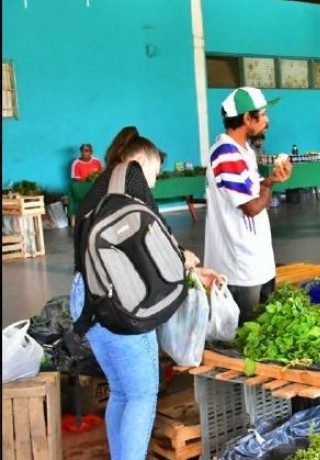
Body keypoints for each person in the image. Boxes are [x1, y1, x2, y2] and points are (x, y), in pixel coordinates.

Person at [70, 127, 222, 460]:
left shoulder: (101, 186)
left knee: (122, 392)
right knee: (141, 395)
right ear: (143, 159)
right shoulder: (131, 175)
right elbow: (159, 238)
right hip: (116, 304)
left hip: (85, 296)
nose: (153, 182)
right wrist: (186, 259)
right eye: (156, 172)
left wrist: (190, 271)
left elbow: (134, 249)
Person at [204, 87, 291, 326]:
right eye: (263, 115)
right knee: (246, 333)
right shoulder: (226, 154)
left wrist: (272, 180)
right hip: (239, 266)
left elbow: (255, 192)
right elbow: (251, 206)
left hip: (256, 261)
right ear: (246, 118)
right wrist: (269, 186)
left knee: (262, 330)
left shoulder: (243, 152)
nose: (267, 120)